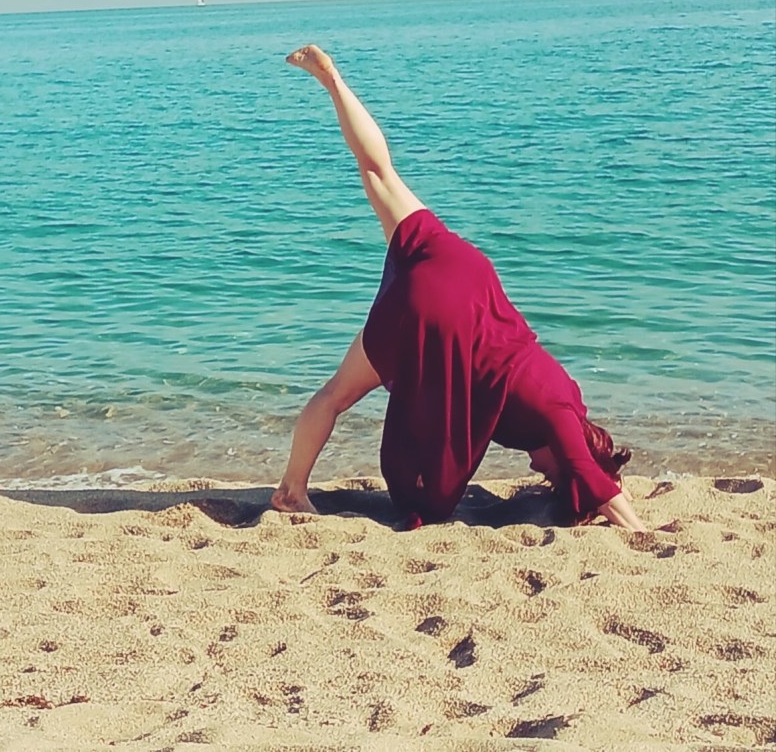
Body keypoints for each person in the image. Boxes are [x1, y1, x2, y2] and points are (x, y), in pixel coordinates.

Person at [271, 45, 647, 532]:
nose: (540, 472)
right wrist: (639, 531)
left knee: (379, 172)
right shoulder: (561, 418)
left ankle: (334, 83)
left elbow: (577, 467)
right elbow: (589, 477)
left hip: (460, 267)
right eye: (550, 472)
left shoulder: (565, 393)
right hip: (440, 316)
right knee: (337, 396)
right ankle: (289, 494)